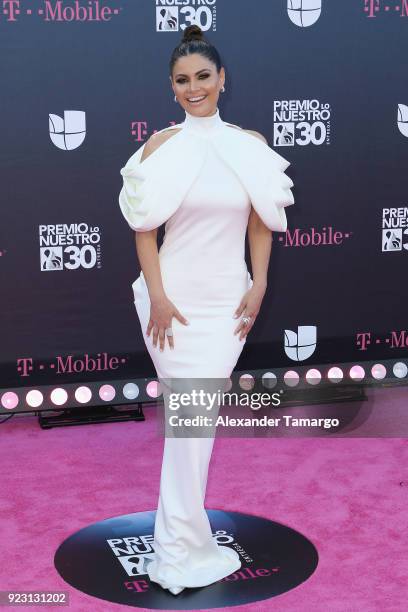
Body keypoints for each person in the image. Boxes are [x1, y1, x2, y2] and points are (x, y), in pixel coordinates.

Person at [118, 24, 295, 596]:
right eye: (181, 81)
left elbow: (261, 222)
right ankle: (178, 548)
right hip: (174, 304)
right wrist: (161, 298)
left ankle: (185, 540)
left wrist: (259, 284)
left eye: (202, 77)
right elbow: (144, 231)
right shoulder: (161, 146)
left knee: (196, 425)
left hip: (228, 305)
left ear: (222, 79)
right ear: (172, 89)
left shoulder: (249, 144)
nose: (193, 88)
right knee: (189, 426)